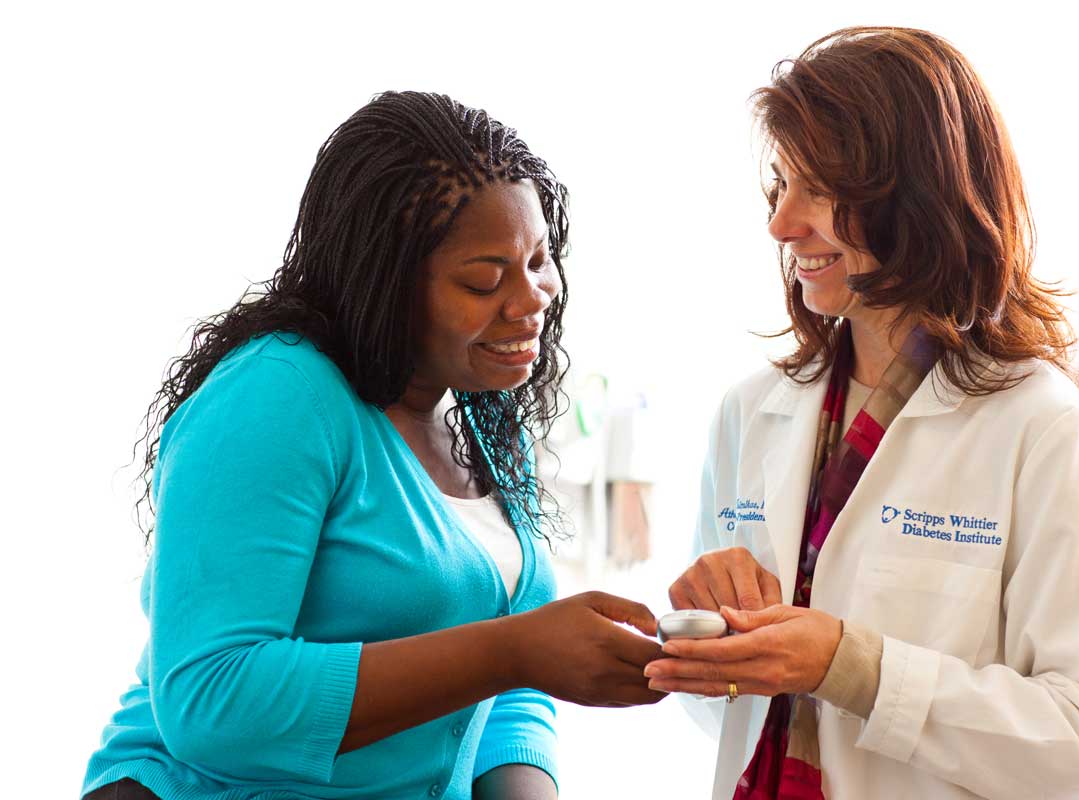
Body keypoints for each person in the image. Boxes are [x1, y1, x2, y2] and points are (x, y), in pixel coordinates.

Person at [81, 91, 663, 800]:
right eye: (484, 279)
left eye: (540, 259)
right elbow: (210, 697)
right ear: (386, 283)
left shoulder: (470, 405)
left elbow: (509, 683)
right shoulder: (277, 395)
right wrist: (514, 651)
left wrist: (523, 692)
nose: (532, 298)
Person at [646, 27, 1079, 799]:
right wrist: (715, 639)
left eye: (819, 189)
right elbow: (733, 724)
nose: (782, 224)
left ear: (917, 193)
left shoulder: (1041, 427)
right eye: (780, 185)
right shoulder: (749, 414)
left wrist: (854, 667)